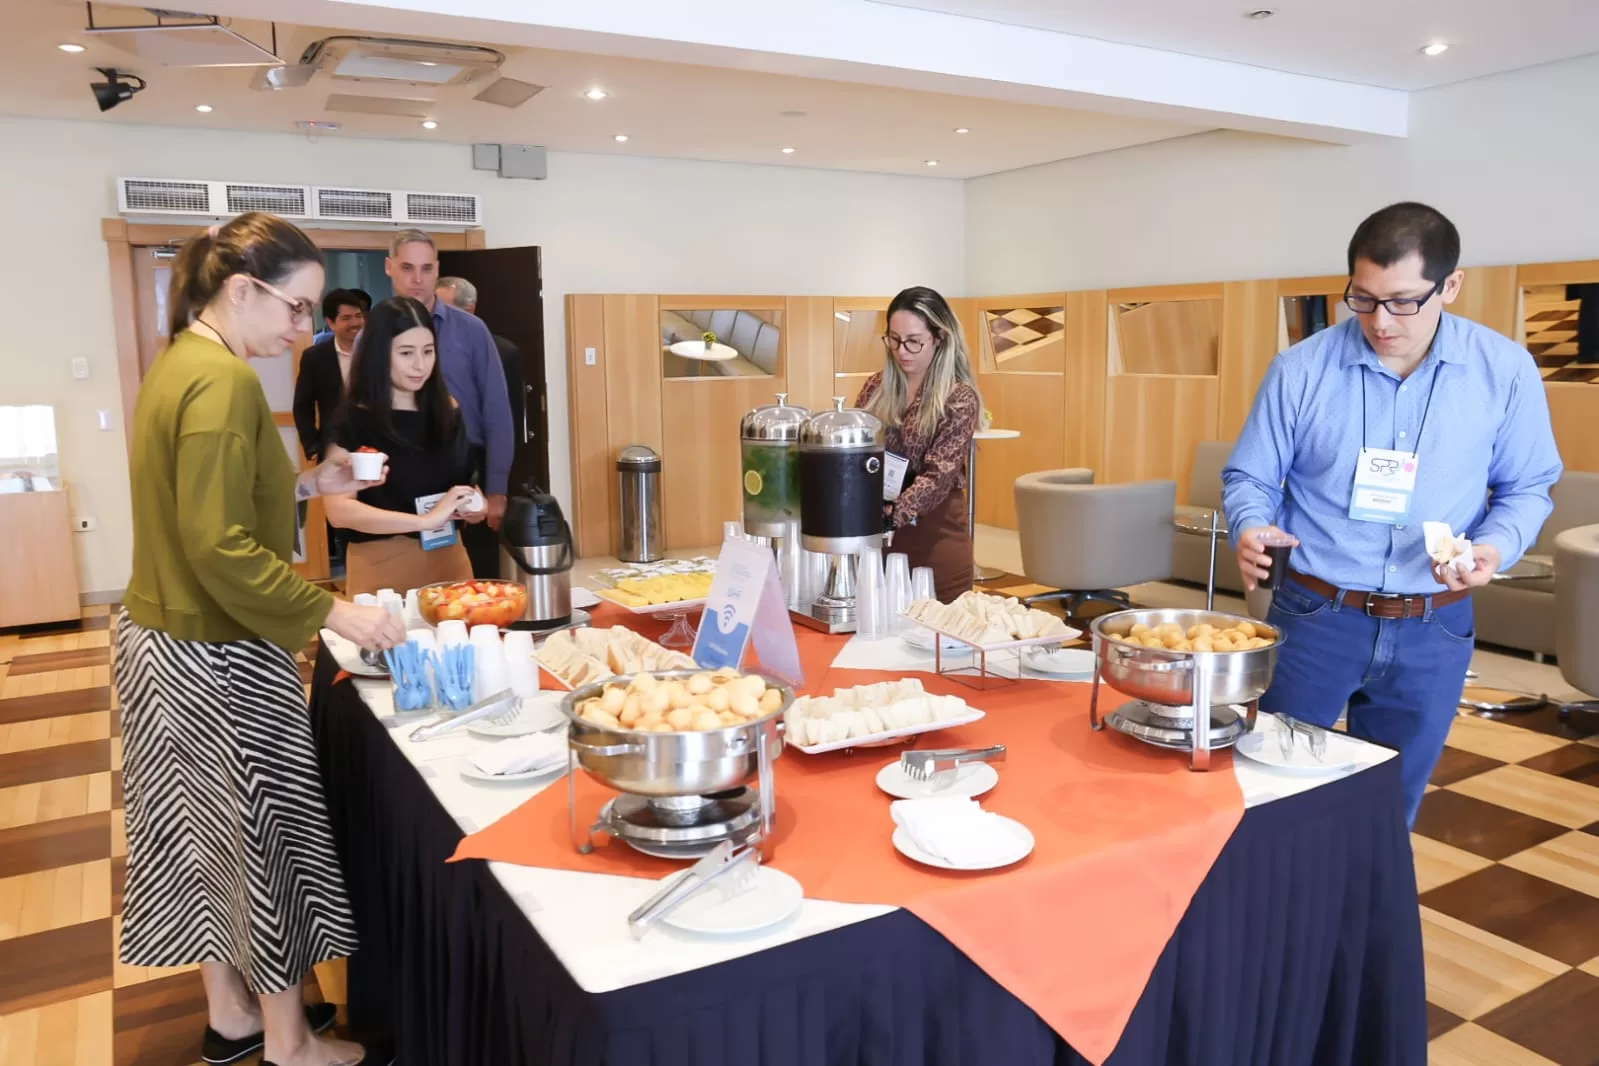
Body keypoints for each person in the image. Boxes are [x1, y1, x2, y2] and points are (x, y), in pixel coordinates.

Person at [118, 212, 403, 1066]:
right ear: (242, 290)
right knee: (263, 841)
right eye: (297, 307)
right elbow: (219, 547)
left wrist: (313, 482)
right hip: (214, 651)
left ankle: (233, 1013)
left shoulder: (182, 361)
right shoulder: (225, 382)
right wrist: (335, 613)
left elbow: (214, 506)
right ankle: (289, 1042)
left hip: (162, 641)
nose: (304, 328)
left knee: (211, 840)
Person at [1223, 202, 1562, 827]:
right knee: (1269, 797)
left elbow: (1528, 485)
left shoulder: (1504, 370)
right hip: (1315, 616)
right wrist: (1250, 523)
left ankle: (1359, 897)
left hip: (1435, 625)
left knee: (1388, 812)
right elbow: (1251, 475)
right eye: (1364, 298)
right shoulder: (1301, 368)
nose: (1380, 322)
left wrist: (1494, 546)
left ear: (1450, 286)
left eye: (1403, 301)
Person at [323, 296, 483, 596]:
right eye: (406, 353)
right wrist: (424, 521)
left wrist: (475, 504)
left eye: (428, 351)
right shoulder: (353, 418)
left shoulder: (448, 410)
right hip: (382, 567)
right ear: (379, 354)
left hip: (448, 559)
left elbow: (464, 481)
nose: (420, 365)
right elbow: (339, 510)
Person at [385, 231, 513, 580]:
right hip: (401, 471)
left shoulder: (471, 330)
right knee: (413, 580)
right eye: (407, 268)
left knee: (476, 584)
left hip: (467, 470)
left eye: (426, 269)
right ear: (389, 268)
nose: (417, 278)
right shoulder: (375, 333)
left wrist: (497, 489)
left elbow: (497, 409)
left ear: (437, 269)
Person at [855, 286, 982, 603]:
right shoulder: (875, 387)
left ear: (939, 337)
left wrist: (888, 517)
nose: (902, 351)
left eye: (914, 341)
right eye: (894, 339)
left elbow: (938, 477)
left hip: (934, 544)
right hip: (880, 543)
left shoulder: (958, 398)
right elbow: (857, 452)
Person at [437, 275, 525, 449]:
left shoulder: (503, 352)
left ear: (469, 310)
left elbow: (508, 415)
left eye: (444, 309)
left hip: (474, 449)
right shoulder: (424, 350)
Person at [293, 287, 370, 462]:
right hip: (333, 448)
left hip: (376, 446)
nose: (355, 323)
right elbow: (302, 407)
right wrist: (313, 446)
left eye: (358, 316)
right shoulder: (315, 357)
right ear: (331, 322)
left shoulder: (379, 352)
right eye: (346, 318)